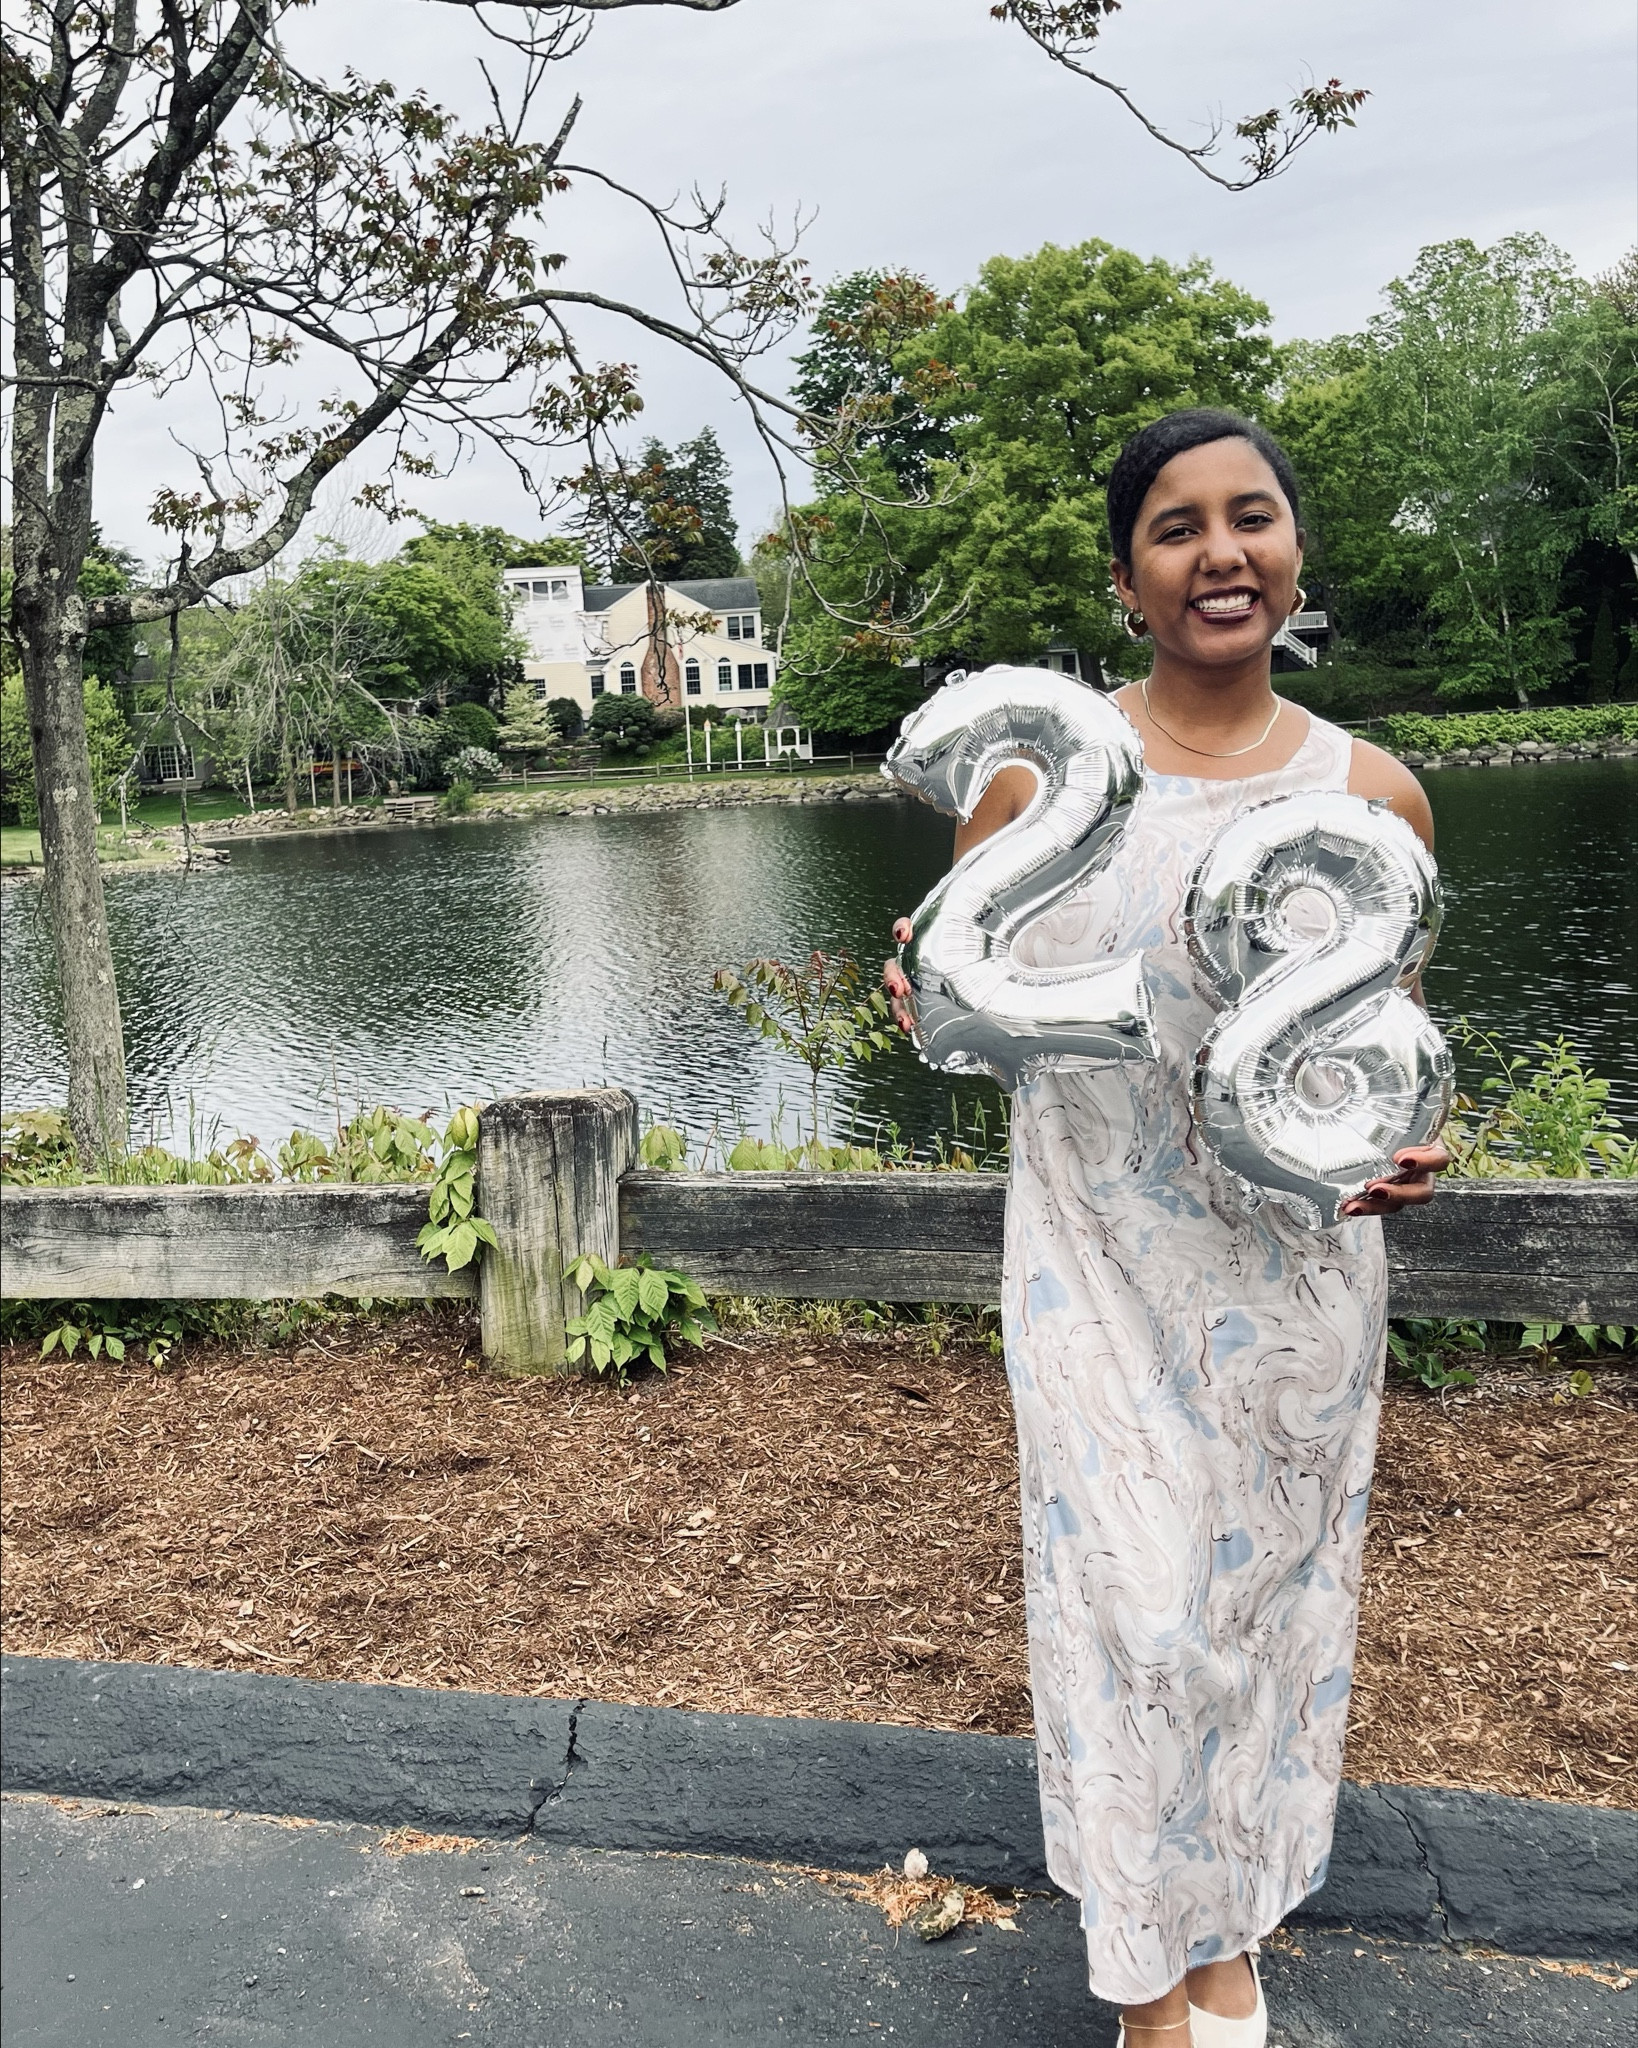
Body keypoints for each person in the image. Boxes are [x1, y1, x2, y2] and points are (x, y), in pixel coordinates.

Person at [883, 409, 1449, 2048]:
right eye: (1177, 529)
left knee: (1259, 1624)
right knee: (1133, 1623)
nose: (1221, 553)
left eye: (1250, 516)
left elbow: (1392, 1061)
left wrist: (1410, 1152)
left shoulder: (1372, 792)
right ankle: (1141, 1979)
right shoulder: (1038, 782)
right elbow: (957, 1005)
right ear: (1128, 580)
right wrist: (922, 986)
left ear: (1290, 551)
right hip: (1095, 1269)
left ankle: (1225, 1940)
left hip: (1290, 1296)